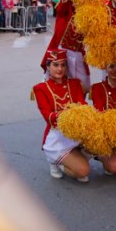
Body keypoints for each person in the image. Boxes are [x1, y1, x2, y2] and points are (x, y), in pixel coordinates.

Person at [32, 49, 90, 182]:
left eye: (63, 65)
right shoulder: (40, 88)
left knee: (98, 139)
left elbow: (82, 104)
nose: (60, 69)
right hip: (57, 137)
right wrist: (71, 115)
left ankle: (75, 160)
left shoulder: (74, 84)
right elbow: (48, 116)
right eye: (55, 64)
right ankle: (56, 162)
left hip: (76, 132)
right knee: (83, 172)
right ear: (48, 66)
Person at [42, 0, 90, 93]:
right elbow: (60, 8)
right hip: (61, 51)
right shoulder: (67, 11)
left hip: (78, 54)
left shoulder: (90, 14)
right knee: (57, 81)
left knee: (81, 85)